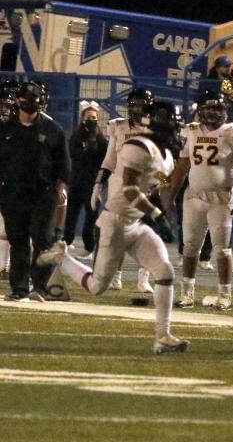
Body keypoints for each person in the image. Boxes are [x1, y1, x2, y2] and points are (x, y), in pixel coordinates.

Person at [38, 101, 189, 354]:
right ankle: (62, 259)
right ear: (153, 122)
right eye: (167, 120)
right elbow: (129, 189)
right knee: (97, 287)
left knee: (165, 272)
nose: (173, 125)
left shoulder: (167, 156)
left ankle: (163, 336)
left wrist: (170, 197)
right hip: (115, 222)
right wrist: (157, 215)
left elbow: (159, 183)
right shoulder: (137, 146)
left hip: (136, 224)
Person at [168, 91, 233, 310]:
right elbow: (182, 166)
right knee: (190, 247)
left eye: (217, 109)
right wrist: (170, 195)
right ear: (200, 111)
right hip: (194, 195)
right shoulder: (193, 131)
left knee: (222, 249)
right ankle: (187, 293)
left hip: (222, 198)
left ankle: (225, 294)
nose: (213, 113)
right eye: (209, 108)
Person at [0, 81, 70, 302]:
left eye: (35, 98)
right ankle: (19, 288)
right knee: (18, 240)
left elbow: (64, 164)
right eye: (26, 98)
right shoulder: (5, 128)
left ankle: (39, 287)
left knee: (43, 240)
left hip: (43, 193)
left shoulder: (52, 129)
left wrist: (58, 189)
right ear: (18, 101)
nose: (30, 102)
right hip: (13, 193)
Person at [91, 87, 157, 294]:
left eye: (141, 105)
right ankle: (115, 277)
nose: (136, 109)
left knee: (144, 232)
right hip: (118, 185)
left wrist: (161, 184)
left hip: (145, 186)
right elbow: (110, 159)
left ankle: (143, 279)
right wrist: (98, 183)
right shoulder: (118, 127)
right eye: (133, 105)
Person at [63, 101, 108, 259]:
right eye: (89, 117)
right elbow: (72, 155)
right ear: (82, 118)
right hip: (76, 181)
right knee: (71, 213)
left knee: (91, 215)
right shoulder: (76, 137)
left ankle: (89, 246)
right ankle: (66, 242)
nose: (92, 120)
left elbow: (105, 159)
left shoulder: (101, 139)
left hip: (92, 184)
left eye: (94, 118)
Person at [0, 87, 17, 278]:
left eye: (8, 105)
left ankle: (6, 265)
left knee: (8, 226)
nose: (5, 109)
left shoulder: (16, 128)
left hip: (12, 180)